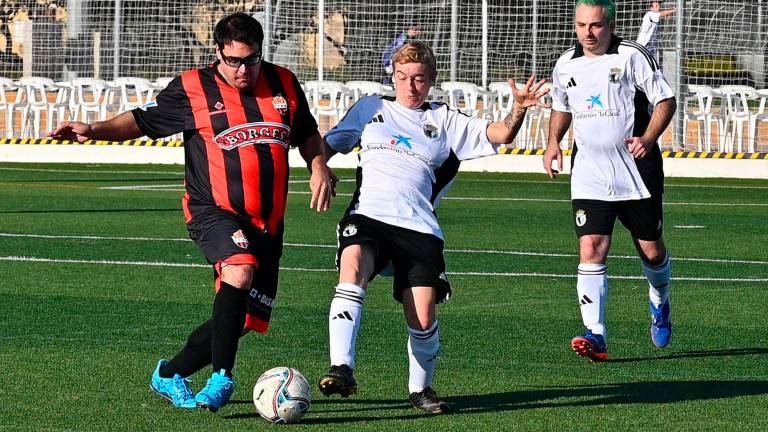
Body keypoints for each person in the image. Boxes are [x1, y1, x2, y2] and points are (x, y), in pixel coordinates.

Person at [49, 12, 334, 412]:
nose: (243, 70)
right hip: (212, 210)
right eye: (234, 60)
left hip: (268, 223)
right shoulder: (192, 87)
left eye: (251, 60)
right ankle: (223, 378)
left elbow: (306, 133)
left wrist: (319, 164)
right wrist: (93, 130)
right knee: (239, 268)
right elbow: (143, 121)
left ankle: (169, 374)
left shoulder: (284, 82)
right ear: (218, 51)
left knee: (240, 322)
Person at [317, 40, 550, 413]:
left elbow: (501, 134)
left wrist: (519, 109)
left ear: (431, 80)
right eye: (403, 76)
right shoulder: (370, 109)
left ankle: (420, 390)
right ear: (392, 75)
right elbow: (327, 145)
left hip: (418, 227)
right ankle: (341, 366)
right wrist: (318, 168)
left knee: (423, 316)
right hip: (368, 215)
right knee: (352, 269)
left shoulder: (445, 120)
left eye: (419, 79)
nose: (410, 86)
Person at [543, 0, 676, 362]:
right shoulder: (565, 64)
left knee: (651, 250)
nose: (588, 32)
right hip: (589, 173)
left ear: (611, 25)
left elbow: (665, 99)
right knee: (591, 248)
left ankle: (660, 298)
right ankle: (595, 334)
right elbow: (561, 106)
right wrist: (553, 142)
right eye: (582, 24)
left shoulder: (632, 56)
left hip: (636, 171)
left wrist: (647, 139)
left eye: (597, 25)